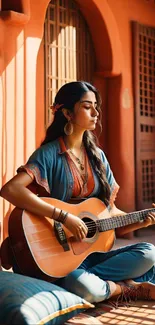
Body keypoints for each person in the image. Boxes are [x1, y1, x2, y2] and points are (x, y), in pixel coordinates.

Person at [1, 81, 155, 303]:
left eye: (96, 106)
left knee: (149, 253)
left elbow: (109, 214)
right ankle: (124, 289)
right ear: (67, 113)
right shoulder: (48, 154)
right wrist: (64, 217)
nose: (96, 112)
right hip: (57, 256)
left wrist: (142, 221)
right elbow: (10, 189)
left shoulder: (98, 158)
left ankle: (103, 286)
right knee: (81, 284)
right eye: (86, 106)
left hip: (90, 256)